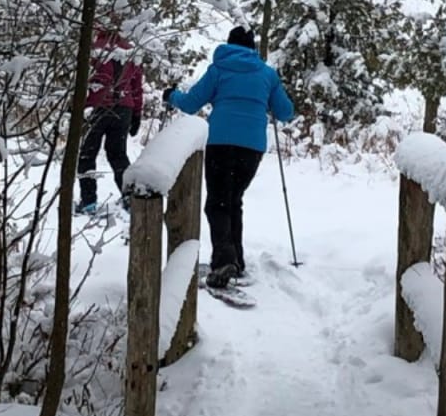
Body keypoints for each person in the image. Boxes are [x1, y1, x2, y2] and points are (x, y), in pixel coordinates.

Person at [164, 26, 293, 287]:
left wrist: (171, 96)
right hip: (252, 147)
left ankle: (224, 261)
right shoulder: (267, 74)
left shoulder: (219, 69)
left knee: (218, 203)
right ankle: (236, 260)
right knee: (234, 200)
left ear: (229, 44)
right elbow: (285, 112)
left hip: (220, 142)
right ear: (252, 47)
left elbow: (190, 103)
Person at [77, 29, 144, 215]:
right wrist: (137, 114)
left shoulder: (93, 50)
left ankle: (88, 201)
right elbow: (136, 87)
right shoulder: (130, 52)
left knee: (87, 154)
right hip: (124, 109)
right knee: (118, 155)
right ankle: (129, 198)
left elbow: (82, 81)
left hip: (96, 108)